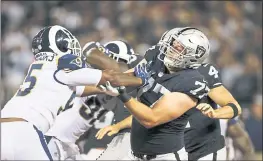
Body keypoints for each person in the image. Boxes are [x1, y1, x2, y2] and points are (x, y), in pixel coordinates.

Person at [0, 25, 143, 160]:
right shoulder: (67, 67)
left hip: (40, 136)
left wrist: (109, 86)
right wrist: (141, 77)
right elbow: (104, 66)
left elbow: (88, 89)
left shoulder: (50, 71)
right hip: (42, 137)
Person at [102, 27, 211, 160]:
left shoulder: (192, 83)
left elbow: (151, 119)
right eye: (172, 43)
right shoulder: (157, 57)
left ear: (193, 56)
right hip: (135, 154)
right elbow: (132, 76)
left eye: (179, 48)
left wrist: (122, 93)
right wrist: (109, 80)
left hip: (164, 157)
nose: (170, 48)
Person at [45, 40, 143, 160]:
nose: (125, 70)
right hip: (53, 140)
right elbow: (90, 51)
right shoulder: (86, 75)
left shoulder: (112, 91)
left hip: (68, 145)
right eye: (123, 63)